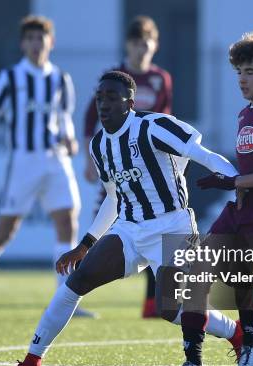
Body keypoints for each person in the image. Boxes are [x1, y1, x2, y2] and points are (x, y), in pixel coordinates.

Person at [0, 70, 243, 366]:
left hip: (172, 227)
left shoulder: (152, 126)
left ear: (130, 102)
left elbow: (203, 155)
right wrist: (85, 245)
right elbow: (113, 197)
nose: (104, 104)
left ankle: (228, 338)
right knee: (77, 280)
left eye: (112, 98)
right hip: (129, 229)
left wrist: (238, 185)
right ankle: (32, 362)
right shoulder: (99, 145)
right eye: (100, 98)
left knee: (169, 309)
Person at [168, 30, 253, 366]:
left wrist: (234, 182)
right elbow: (247, 169)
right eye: (239, 71)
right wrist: (235, 186)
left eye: (251, 71)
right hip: (240, 211)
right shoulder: (245, 114)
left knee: (244, 275)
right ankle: (193, 364)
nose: (242, 79)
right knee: (196, 271)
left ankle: (252, 341)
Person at [0, 15, 95, 319]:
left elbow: (64, 117)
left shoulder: (60, 79)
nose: (35, 44)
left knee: (67, 224)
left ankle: (64, 298)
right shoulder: (12, 77)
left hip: (56, 159)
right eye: (29, 38)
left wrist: (70, 140)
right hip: (24, 162)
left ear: (50, 42)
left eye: (40, 38)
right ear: (22, 44)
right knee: (4, 232)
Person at [83, 16, 173, 318]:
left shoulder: (161, 79)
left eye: (146, 43)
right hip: (119, 167)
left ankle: (151, 303)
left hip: (149, 171)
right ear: (128, 46)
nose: (141, 49)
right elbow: (88, 119)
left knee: (152, 228)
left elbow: (165, 123)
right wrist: (87, 159)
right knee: (106, 226)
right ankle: (76, 288)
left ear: (155, 45)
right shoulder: (115, 78)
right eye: (136, 43)